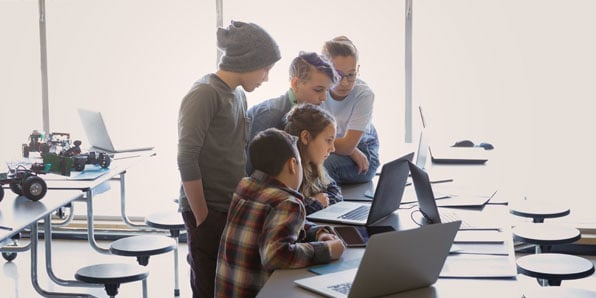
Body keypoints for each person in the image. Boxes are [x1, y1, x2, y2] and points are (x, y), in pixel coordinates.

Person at [177, 21, 281, 298]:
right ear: (248, 61)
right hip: (206, 209)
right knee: (206, 286)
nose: (266, 78)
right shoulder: (204, 94)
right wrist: (202, 217)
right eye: (266, 69)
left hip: (229, 205)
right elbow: (187, 158)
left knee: (224, 287)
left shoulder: (237, 95)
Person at [215, 128, 345, 297]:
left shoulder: (246, 187)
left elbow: (280, 224)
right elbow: (276, 256)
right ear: (292, 165)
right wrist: (325, 250)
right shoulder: (287, 202)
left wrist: (318, 232)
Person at [246, 51, 338, 174]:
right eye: (318, 90)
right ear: (295, 84)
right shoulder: (271, 116)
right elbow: (253, 171)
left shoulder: (310, 113)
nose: (324, 98)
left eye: (326, 91)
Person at [320, 36, 380, 184]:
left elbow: (347, 145)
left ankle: (328, 203)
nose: (345, 83)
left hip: (363, 152)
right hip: (332, 148)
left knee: (326, 164)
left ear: (357, 70)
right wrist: (351, 151)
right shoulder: (318, 89)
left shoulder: (364, 95)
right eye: (337, 75)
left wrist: (350, 149)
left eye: (351, 75)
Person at [284, 103, 342, 214]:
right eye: (329, 140)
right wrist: (316, 203)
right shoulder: (288, 171)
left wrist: (323, 201)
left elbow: (335, 192)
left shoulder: (315, 164)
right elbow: (290, 210)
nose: (333, 148)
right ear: (306, 137)